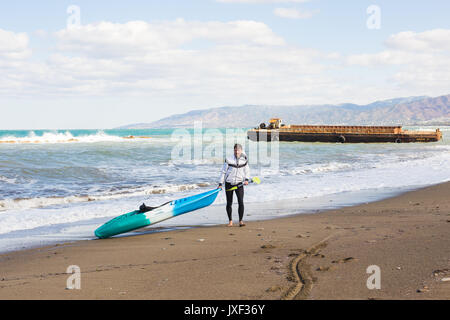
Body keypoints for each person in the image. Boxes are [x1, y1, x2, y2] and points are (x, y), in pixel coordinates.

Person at [218, 143, 250, 227]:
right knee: (229, 203)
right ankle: (230, 221)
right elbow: (223, 172)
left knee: (241, 202)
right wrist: (220, 183)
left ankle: (240, 221)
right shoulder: (229, 159)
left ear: (241, 151)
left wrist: (246, 179)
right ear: (234, 150)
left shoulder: (244, 160)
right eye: (235, 150)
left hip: (239, 183)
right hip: (229, 184)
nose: (236, 152)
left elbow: (247, 171)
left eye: (238, 150)